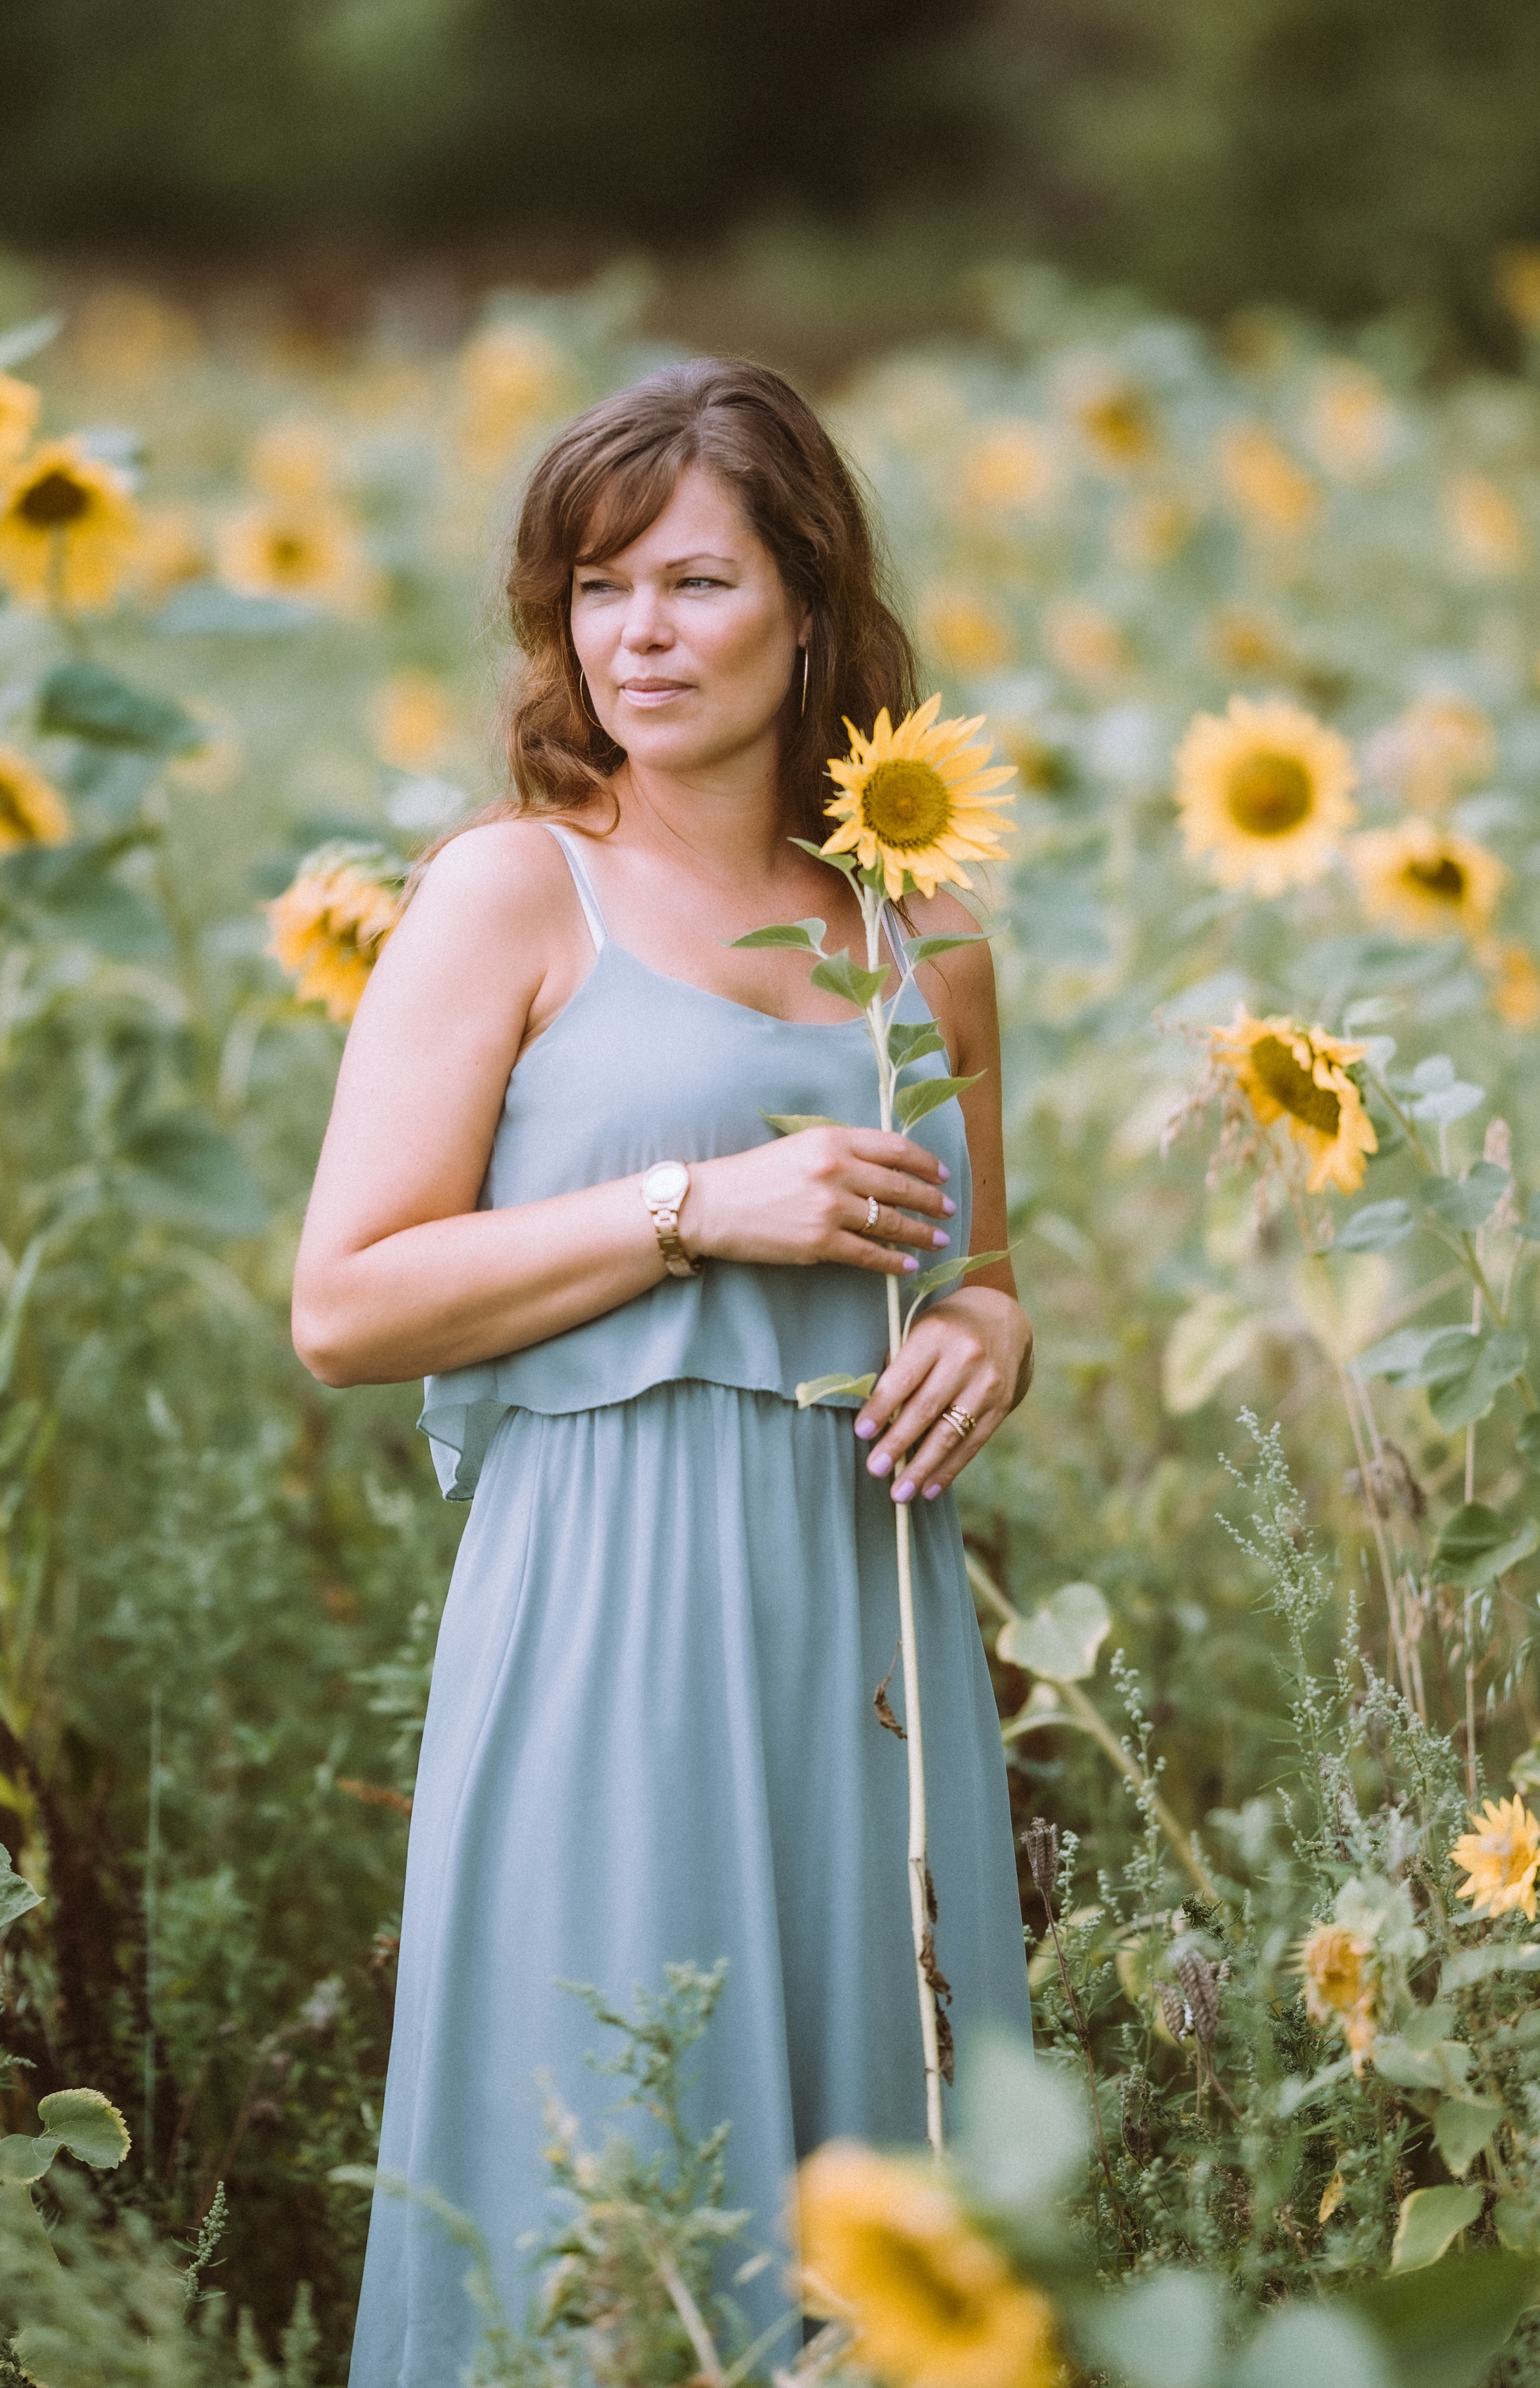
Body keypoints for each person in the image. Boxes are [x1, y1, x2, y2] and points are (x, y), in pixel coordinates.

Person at [293, 359, 1034, 2387]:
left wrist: (987, 1335)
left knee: (896, 2176)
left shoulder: (922, 923)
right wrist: (700, 1204)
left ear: (812, 602)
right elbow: (346, 1303)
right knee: (612, 2143)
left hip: (870, 1622)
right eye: (597, 587)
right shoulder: (515, 890)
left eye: (695, 583)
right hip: (603, 1608)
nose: (637, 635)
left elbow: (981, 1269)